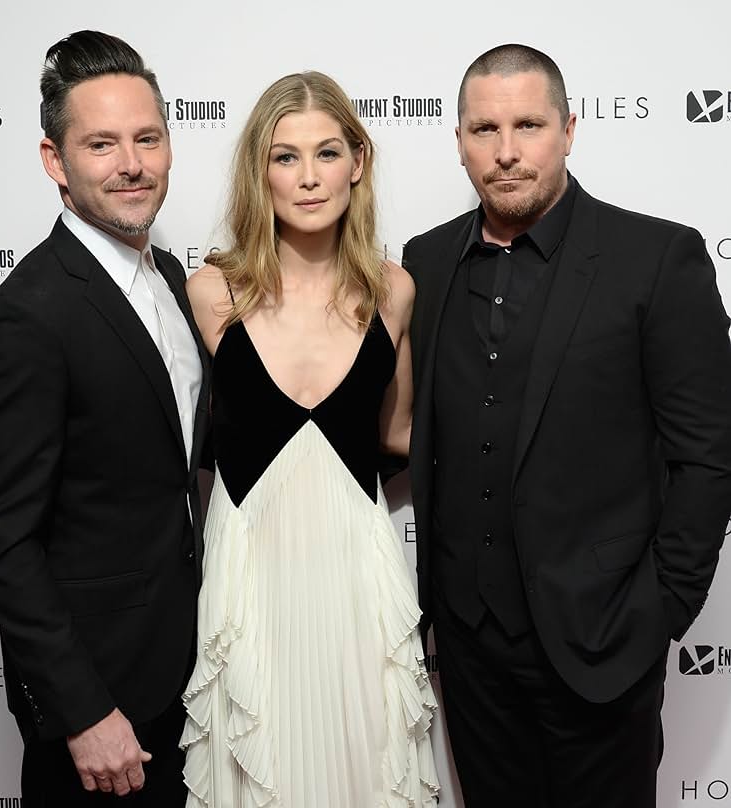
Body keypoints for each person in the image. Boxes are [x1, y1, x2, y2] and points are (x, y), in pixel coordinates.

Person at [402, 42, 731, 808]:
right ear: (458, 141)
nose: (507, 151)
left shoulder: (656, 258)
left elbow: (709, 458)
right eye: (484, 129)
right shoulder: (426, 261)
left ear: (570, 129)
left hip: (603, 643)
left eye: (529, 125)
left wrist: (659, 612)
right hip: (470, 649)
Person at [0, 30, 209, 806]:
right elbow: (1, 541)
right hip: (101, 710)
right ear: (54, 160)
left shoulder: (167, 272)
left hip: (187, 678)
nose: (130, 164)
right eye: (100, 144)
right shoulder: (26, 319)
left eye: (147, 138)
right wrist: (83, 710)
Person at [180, 71, 439, 807]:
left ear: (358, 161)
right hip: (251, 575)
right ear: (259, 172)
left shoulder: (395, 290)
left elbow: (398, 433)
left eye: (327, 153)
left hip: (357, 573)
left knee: (363, 765)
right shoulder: (212, 290)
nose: (308, 177)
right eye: (284, 157)